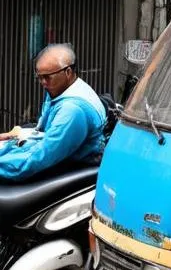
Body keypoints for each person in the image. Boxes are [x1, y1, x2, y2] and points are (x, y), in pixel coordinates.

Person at [0, 44, 106, 182]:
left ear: (67, 72)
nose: (43, 83)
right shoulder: (61, 89)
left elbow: (39, 158)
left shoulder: (72, 110)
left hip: (65, 165)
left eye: (48, 77)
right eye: (40, 77)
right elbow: (43, 132)